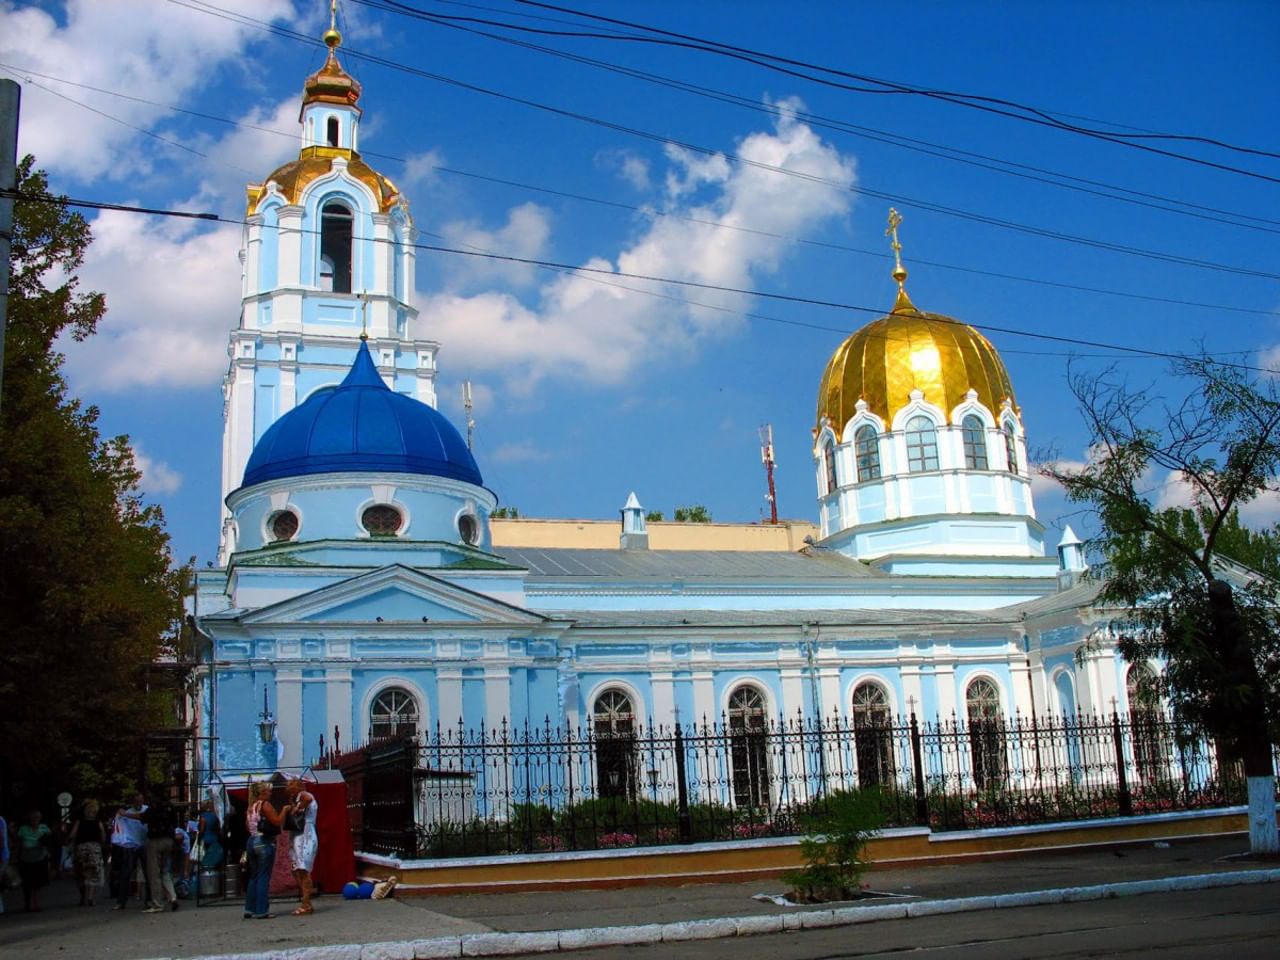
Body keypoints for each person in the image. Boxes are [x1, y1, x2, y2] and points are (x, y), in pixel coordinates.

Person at [244, 781, 290, 920]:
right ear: (263, 793)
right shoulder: (265, 805)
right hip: (264, 841)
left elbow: (248, 826)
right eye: (269, 791)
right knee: (264, 876)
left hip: (251, 841)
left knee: (254, 876)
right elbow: (277, 821)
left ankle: (249, 908)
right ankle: (262, 910)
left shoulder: (251, 807)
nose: (270, 793)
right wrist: (285, 810)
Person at [285, 779, 318, 915]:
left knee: (303, 869)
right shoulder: (297, 798)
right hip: (298, 833)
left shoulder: (304, 795)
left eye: (292, 787)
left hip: (305, 833)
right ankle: (305, 899)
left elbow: (308, 799)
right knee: (297, 869)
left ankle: (306, 902)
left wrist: (297, 809)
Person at [113, 792, 149, 910]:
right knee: (126, 873)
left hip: (143, 844)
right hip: (132, 845)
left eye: (140, 801)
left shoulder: (143, 810)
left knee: (147, 873)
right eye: (137, 801)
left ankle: (149, 899)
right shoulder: (127, 813)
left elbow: (142, 817)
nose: (139, 803)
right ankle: (121, 900)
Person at [142, 797, 179, 913]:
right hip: (169, 840)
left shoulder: (153, 808)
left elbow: (143, 818)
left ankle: (157, 903)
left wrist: (126, 815)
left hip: (156, 840)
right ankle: (173, 896)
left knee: (154, 873)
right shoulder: (169, 807)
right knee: (165, 871)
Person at [68, 800, 106, 907]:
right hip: (94, 849)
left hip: (81, 849)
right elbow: (103, 835)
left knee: (82, 875)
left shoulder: (79, 821)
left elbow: (72, 835)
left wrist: (68, 841)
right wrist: (103, 844)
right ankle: (90, 898)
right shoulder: (98, 822)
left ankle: (82, 898)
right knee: (93, 874)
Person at [16, 808, 52, 912]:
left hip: (40, 858)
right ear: (29, 818)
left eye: (37, 817)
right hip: (26, 859)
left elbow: (51, 840)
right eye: (33, 817)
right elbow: (18, 841)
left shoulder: (44, 827)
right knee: (27, 883)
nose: (35, 819)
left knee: (38, 883)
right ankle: (28, 904)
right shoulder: (23, 829)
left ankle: (36, 904)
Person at [197, 798, 223, 870]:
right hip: (215, 839)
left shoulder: (203, 817)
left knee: (206, 858)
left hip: (206, 840)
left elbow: (202, 830)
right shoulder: (215, 816)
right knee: (213, 857)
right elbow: (218, 828)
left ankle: (207, 872)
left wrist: (198, 838)